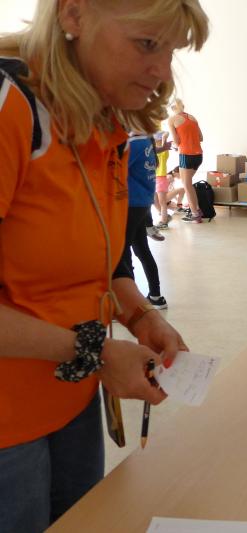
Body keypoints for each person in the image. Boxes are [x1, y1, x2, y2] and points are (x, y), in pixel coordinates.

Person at [0, 1, 208, 531]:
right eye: (147, 44)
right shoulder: (10, 108)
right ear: (73, 15)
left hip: (70, 399)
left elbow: (106, 264)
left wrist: (140, 316)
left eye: (170, 51)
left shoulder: (103, 121)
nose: (162, 71)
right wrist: (94, 352)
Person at [117, 134, 168, 310]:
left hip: (130, 204)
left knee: (123, 254)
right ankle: (156, 296)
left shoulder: (132, 144)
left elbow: (117, 172)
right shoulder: (146, 141)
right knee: (142, 250)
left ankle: (127, 303)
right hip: (142, 204)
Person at [168, 98, 205, 223]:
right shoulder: (192, 118)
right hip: (198, 155)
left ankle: (195, 214)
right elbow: (201, 137)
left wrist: (173, 145)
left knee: (187, 185)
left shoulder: (172, 119)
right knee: (188, 184)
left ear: (172, 108)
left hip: (186, 155)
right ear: (182, 106)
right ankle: (196, 211)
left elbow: (176, 142)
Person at [154, 131, 173, 229]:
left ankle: (164, 222)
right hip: (154, 178)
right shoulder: (153, 150)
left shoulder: (164, 151)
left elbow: (166, 133)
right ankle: (164, 216)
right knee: (154, 200)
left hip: (161, 179)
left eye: (155, 139)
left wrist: (164, 138)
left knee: (162, 202)